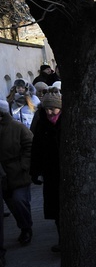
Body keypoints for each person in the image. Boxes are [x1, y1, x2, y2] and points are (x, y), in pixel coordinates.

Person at [30, 91, 63, 252]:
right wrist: (34, 171)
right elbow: (35, 149)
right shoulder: (42, 123)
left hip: (66, 171)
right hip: (51, 172)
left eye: (53, 109)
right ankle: (62, 240)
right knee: (57, 210)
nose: (50, 112)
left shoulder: (66, 121)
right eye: (47, 109)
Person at [0, 99, 33, 247]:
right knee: (12, 204)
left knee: (19, 200)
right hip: (2, 175)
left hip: (18, 172)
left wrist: (24, 165)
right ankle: (23, 225)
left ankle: (27, 228)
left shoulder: (17, 127)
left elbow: (30, 145)